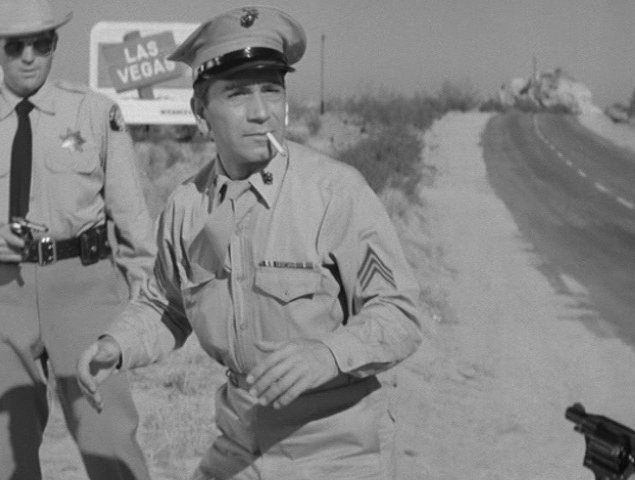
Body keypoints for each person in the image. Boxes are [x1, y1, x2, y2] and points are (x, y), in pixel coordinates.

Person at [77, 6, 423, 480]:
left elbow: (399, 314)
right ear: (201, 114)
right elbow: (167, 307)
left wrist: (328, 353)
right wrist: (117, 345)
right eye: (238, 94)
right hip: (242, 437)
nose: (262, 112)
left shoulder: (334, 194)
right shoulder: (188, 206)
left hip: (336, 447)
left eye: (272, 89)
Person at [0, 0, 155, 478]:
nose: (29, 56)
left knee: (108, 433)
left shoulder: (96, 113)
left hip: (85, 286)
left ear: (54, 45)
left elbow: (131, 214)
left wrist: (145, 299)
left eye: (42, 43)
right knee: (6, 445)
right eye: (16, 46)